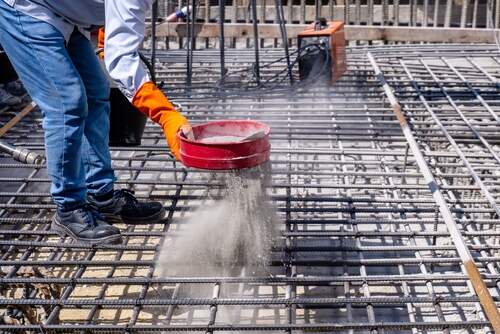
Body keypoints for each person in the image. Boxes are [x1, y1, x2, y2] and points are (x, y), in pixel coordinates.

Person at [0, 0, 193, 245]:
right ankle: (68, 208)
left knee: (95, 91)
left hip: (65, 14)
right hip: (25, 8)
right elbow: (122, 60)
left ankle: (99, 195)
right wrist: (166, 115)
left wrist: (107, 34)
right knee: (66, 102)